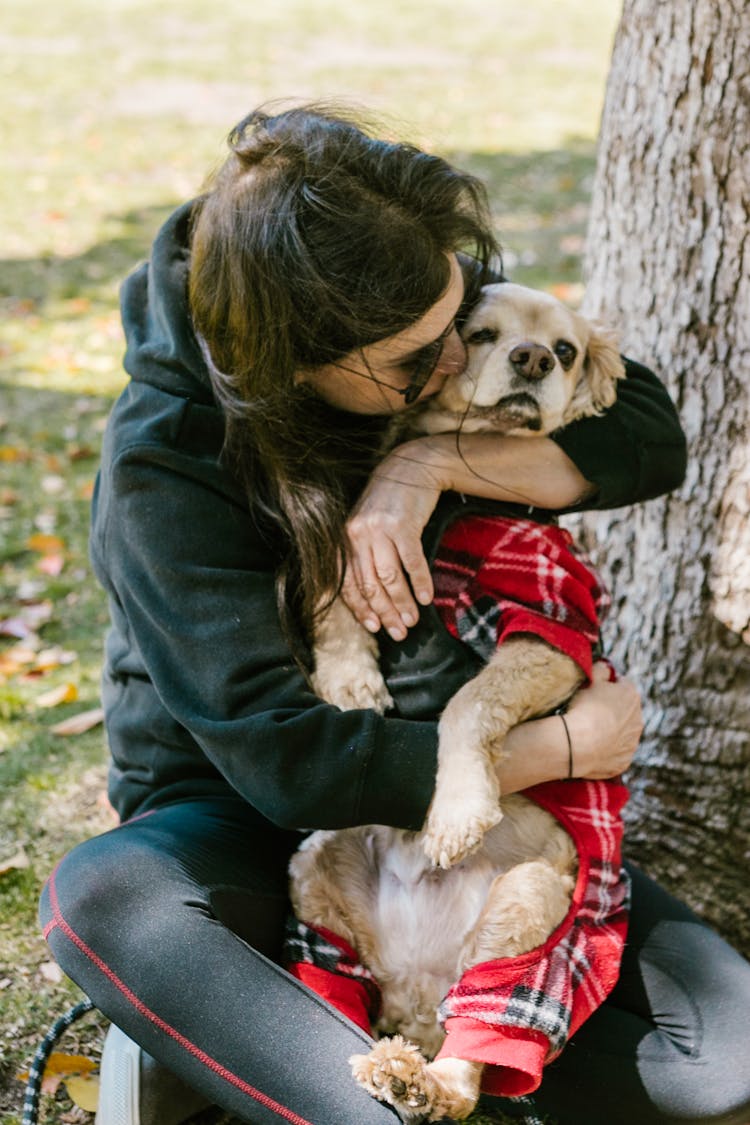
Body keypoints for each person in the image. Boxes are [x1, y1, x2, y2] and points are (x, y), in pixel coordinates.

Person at [40, 103, 750, 1125]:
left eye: (460, 327)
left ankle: (427, 1051)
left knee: (723, 1064)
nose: (462, 369)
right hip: (258, 811)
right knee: (105, 902)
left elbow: (645, 430)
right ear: (298, 369)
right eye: (422, 365)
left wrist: (426, 460)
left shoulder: (411, 286)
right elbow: (285, 764)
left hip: (477, 846)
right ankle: (372, 1093)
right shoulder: (166, 464)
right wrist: (552, 746)